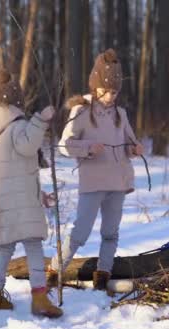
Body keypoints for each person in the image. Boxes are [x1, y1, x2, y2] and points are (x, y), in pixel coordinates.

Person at [47, 49, 144, 291]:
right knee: (80, 232)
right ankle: (54, 271)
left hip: (118, 183)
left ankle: (103, 274)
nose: (110, 96)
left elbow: (129, 143)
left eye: (114, 91)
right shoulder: (81, 111)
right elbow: (63, 145)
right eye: (105, 91)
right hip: (92, 183)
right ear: (94, 87)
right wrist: (89, 147)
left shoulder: (120, 114)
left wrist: (135, 149)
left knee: (111, 233)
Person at [0, 68, 62, 318]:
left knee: (4, 248)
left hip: (6, 201)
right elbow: (27, 147)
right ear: (16, 102)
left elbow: (16, 173)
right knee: (34, 246)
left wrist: (40, 196)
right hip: (20, 202)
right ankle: (39, 298)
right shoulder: (17, 127)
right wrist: (41, 120)